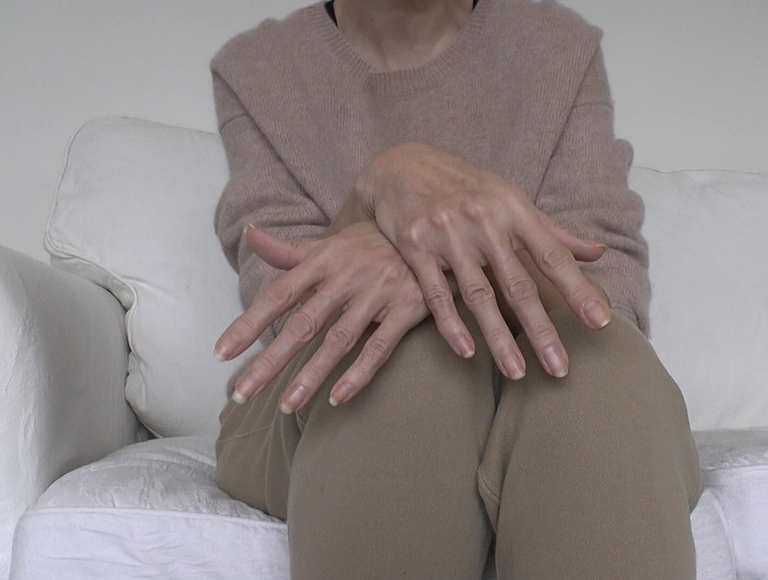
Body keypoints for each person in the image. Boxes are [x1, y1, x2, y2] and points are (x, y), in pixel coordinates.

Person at [210, 0, 702, 577]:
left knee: (603, 375)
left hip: (535, 367)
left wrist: (427, 236)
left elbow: (603, 294)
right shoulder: (262, 66)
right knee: (410, 365)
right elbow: (291, 307)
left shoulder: (556, 45)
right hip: (317, 387)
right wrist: (382, 185)